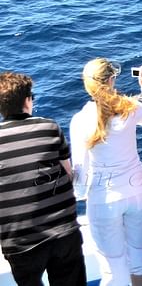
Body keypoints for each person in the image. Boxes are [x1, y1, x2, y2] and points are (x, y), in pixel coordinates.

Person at [70, 58, 142, 286]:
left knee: (112, 266)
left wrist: (79, 195)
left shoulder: (80, 120)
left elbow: (80, 169)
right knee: (139, 258)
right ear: (111, 80)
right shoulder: (130, 108)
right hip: (137, 193)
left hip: (103, 199)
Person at [0, 71, 86, 286]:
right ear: (27, 101)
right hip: (63, 231)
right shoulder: (48, 127)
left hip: (19, 240)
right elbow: (68, 172)